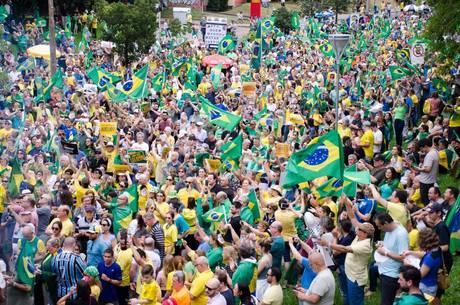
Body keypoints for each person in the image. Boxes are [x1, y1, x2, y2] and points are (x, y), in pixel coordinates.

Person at [374, 213, 409, 305]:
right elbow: (392, 246)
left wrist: (385, 252)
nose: (379, 229)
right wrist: (382, 244)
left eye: (379, 226)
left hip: (391, 275)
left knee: (386, 302)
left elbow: (403, 257)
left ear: (386, 223)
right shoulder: (390, 228)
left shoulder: (401, 234)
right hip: (384, 271)